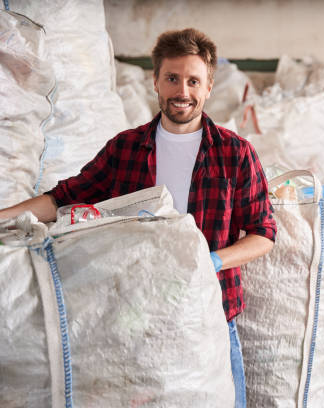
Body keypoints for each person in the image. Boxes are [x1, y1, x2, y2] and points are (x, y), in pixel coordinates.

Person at [0, 28, 276, 406]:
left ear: (209, 86)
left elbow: (263, 233)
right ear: (156, 82)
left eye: (194, 81)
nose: (183, 91)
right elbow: (62, 198)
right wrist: (4, 217)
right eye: (172, 78)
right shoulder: (126, 148)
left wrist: (211, 261)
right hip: (135, 315)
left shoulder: (235, 154)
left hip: (210, 312)